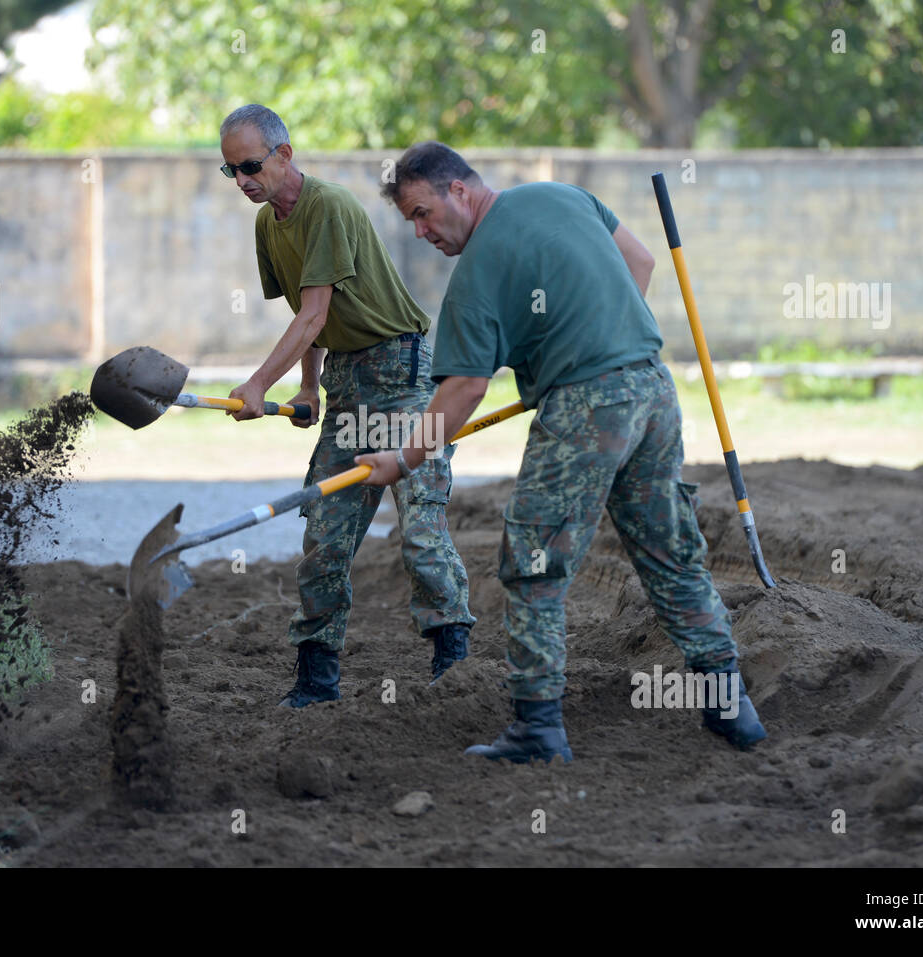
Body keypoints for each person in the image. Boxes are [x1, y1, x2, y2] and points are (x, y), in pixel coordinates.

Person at [356, 141, 767, 761]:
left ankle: (537, 728)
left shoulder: (475, 274)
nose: (419, 232)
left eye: (422, 213)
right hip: (651, 389)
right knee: (670, 551)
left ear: (459, 192)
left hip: (585, 407)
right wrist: (590, 334)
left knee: (534, 562)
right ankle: (732, 707)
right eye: (411, 221)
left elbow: (463, 388)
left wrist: (402, 460)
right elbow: (643, 262)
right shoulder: (564, 197)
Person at [219, 108, 475, 707]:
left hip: (404, 376)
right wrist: (308, 390)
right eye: (230, 170)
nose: (242, 180)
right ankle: (316, 679)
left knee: (420, 531)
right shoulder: (268, 225)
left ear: (284, 153)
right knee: (325, 538)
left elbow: (313, 312)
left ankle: (454, 667)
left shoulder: (327, 205)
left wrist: (257, 385)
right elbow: (311, 319)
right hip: (347, 383)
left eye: (251, 165)